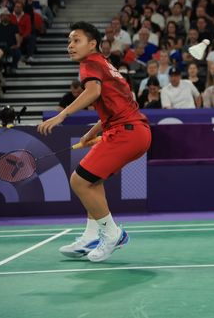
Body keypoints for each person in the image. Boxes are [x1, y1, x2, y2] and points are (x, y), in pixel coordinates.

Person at [37, 22, 151, 262]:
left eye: (76, 40)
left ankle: (112, 233)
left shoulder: (89, 64)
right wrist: (93, 132)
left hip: (126, 132)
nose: (70, 45)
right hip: (132, 130)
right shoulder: (106, 65)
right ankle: (91, 234)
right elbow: (120, 104)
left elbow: (92, 93)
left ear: (92, 44)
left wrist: (62, 115)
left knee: (78, 181)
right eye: (69, 41)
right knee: (92, 180)